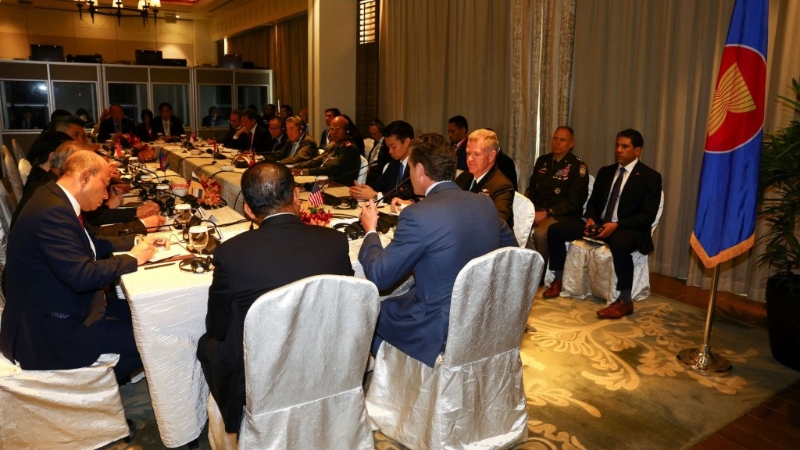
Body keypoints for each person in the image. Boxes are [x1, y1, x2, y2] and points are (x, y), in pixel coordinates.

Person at [197, 161, 353, 433]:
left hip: (263, 370)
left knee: (205, 343)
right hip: (324, 356)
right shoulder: (335, 242)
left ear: (248, 209)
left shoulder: (230, 253)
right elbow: (344, 309)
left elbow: (218, 327)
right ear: (297, 196)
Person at [358, 132, 517, 367]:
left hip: (438, 326)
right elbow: (513, 255)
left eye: (411, 168)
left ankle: (390, 380)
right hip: (481, 314)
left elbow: (380, 275)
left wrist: (370, 230)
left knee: (372, 309)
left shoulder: (417, 215)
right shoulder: (485, 203)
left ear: (420, 170)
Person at [0, 151, 158, 383]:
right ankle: (92, 390)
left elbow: (96, 243)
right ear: (84, 177)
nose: (106, 195)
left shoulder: (54, 197)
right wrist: (132, 259)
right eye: (104, 185)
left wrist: (137, 242)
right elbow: (82, 276)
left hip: (61, 304)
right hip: (48, 330)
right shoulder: (51, 212)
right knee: (151, 339)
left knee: (149, 313)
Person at [544, 129, 662, 319]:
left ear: (637, 151)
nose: (619, 150)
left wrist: (617, 225)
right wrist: (591, 218)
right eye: (617, 145)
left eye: (625, 146)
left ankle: (625, 301)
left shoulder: (650, 177)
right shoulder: (606, 172)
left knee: (619, 243)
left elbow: (647, 216)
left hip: (628, 228)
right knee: (556, 230)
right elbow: (593, 203)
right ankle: (558, 279)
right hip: (599, 224)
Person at [525, 126, 590, 265]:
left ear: (571, 144)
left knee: (540, 235)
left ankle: (542, 270)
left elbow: (574, 201)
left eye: (562, 140)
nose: (557, 142)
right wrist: (529, 210)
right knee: (517, 227)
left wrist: (547, 213)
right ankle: (526, 266)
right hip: (538, 208)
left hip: (561, 214)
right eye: (555, 138)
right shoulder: (542, 161)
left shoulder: (577, 167)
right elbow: (532, 190)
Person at [455, 129, 515, 228]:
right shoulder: (463, 178)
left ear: (491, 156)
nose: (470, 159)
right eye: (468, 153)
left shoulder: (502, 186)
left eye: (476, 154)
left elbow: (497, 223)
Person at [350, 120, 417, 204]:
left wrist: (375, 196)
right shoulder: (395, 163)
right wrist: (361, 190)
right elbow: (380, 183)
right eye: (388, 147)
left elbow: (407, 196)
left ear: (407, 142)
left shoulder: (418, 165)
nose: (390, 151)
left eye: (393, 147)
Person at [292, 116, 361, 185]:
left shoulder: (350, 149)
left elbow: (329, 169)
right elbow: (315, 161)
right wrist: (295, 167)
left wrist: (302, 172)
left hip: (341, 187)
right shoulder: (333, 145)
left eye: (338, 129)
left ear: (347, 131)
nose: (334, 132)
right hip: (326, 183)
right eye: (332, 129)